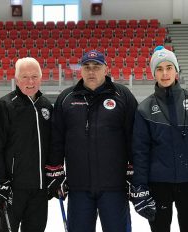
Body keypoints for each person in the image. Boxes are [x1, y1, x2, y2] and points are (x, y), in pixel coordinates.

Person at [46, 50, 138, 232]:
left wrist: (134, 172)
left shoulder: (123, 96)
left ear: (106, 69)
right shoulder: (66, 98)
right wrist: (55, 171)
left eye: (96, 67)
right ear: (81, 70)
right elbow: (57, 139)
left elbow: (134, 138)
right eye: (87, 67)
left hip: (114, 187)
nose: (91, 71)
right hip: (78, 187)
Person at [130, 46, 188, 232]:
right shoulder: (144, 109)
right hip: (158, 185)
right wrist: (140, 186)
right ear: (153, 73)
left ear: (176, 70)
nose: (165, 73)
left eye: (169, 67)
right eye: (159, 69)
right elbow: (140, 152)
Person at [0, 57, 53, 232]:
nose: (30, 81)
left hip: (40, 189)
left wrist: (54, 174)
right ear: (16, 79)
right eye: (24, 77)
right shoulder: (5, 105)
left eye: (34, 76)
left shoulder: (46, 106)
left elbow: (52, 145)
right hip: (12, 188)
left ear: (41, 78)